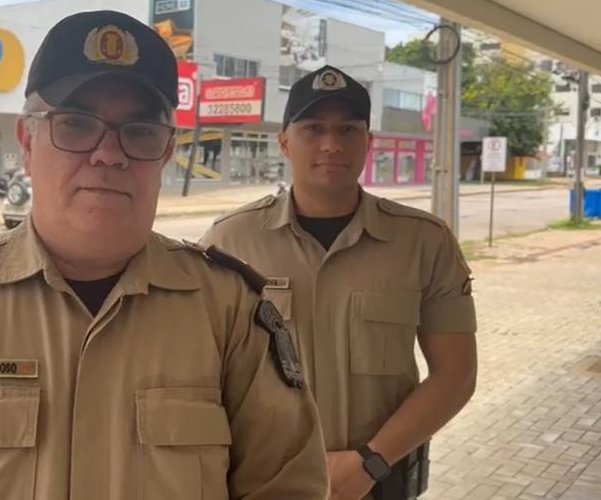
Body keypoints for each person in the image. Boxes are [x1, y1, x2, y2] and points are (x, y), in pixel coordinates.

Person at [0, 10, 329, 499]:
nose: (109, 153)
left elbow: (286, 486)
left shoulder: (229, 309)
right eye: (76, 125)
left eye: (139, 132)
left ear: (167, 151)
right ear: (28, 139)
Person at [202, 65, 478, 500]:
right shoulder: (231, 240)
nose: (332, 144)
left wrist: (370, 461)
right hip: (263, 482)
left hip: (380, 481)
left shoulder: (424, 241)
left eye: (348, 129)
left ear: (368, 142)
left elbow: (456, 374)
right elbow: (202, 374)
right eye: (314, 128)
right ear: (285, 142)